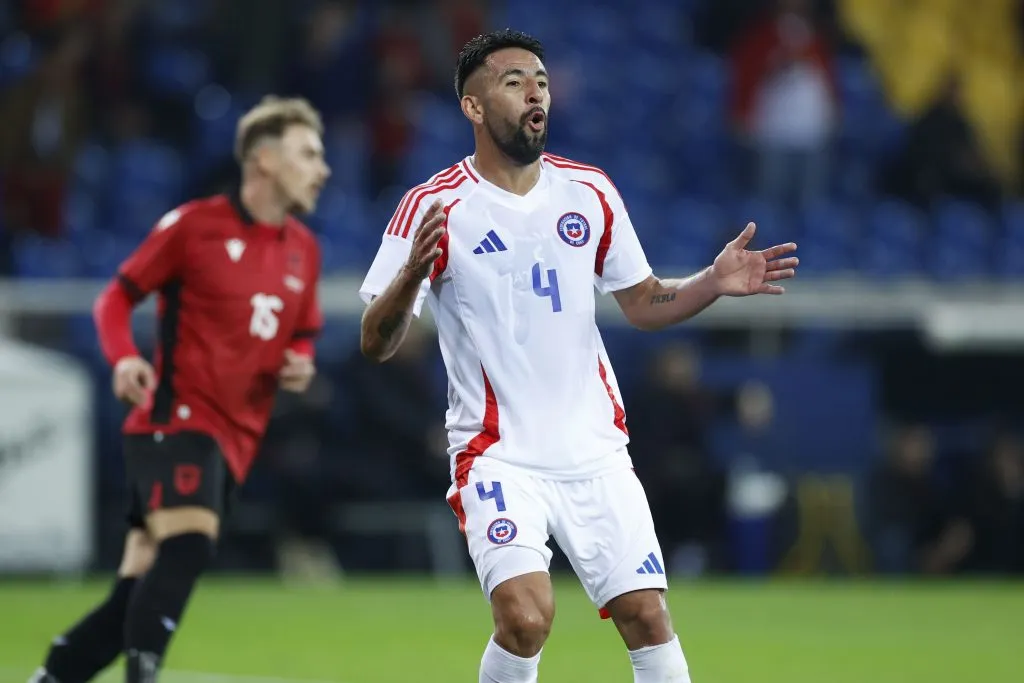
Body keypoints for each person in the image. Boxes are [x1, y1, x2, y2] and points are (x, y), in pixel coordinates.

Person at [359, 30, 799, 683]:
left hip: (595, 453)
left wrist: (710, 281)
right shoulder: (434, 205)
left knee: (647, 615)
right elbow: (376, 339)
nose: (535, 92)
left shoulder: (588, 192)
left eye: (540, 80)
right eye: (514, 82)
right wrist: (409, 277)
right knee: (525, 617)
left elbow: (643, 302)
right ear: (473, 107)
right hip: (497, 454)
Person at [29, 96, 330, 683]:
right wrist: (123, 359)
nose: (322, 169)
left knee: (133, 598)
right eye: (308, 154)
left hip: (236, 439)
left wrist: (301, 360)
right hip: (175, 421)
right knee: (189, 545)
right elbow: (116, 299)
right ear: (265, 160)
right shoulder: (194, 227)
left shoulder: (305, 250)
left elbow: (303, 332)